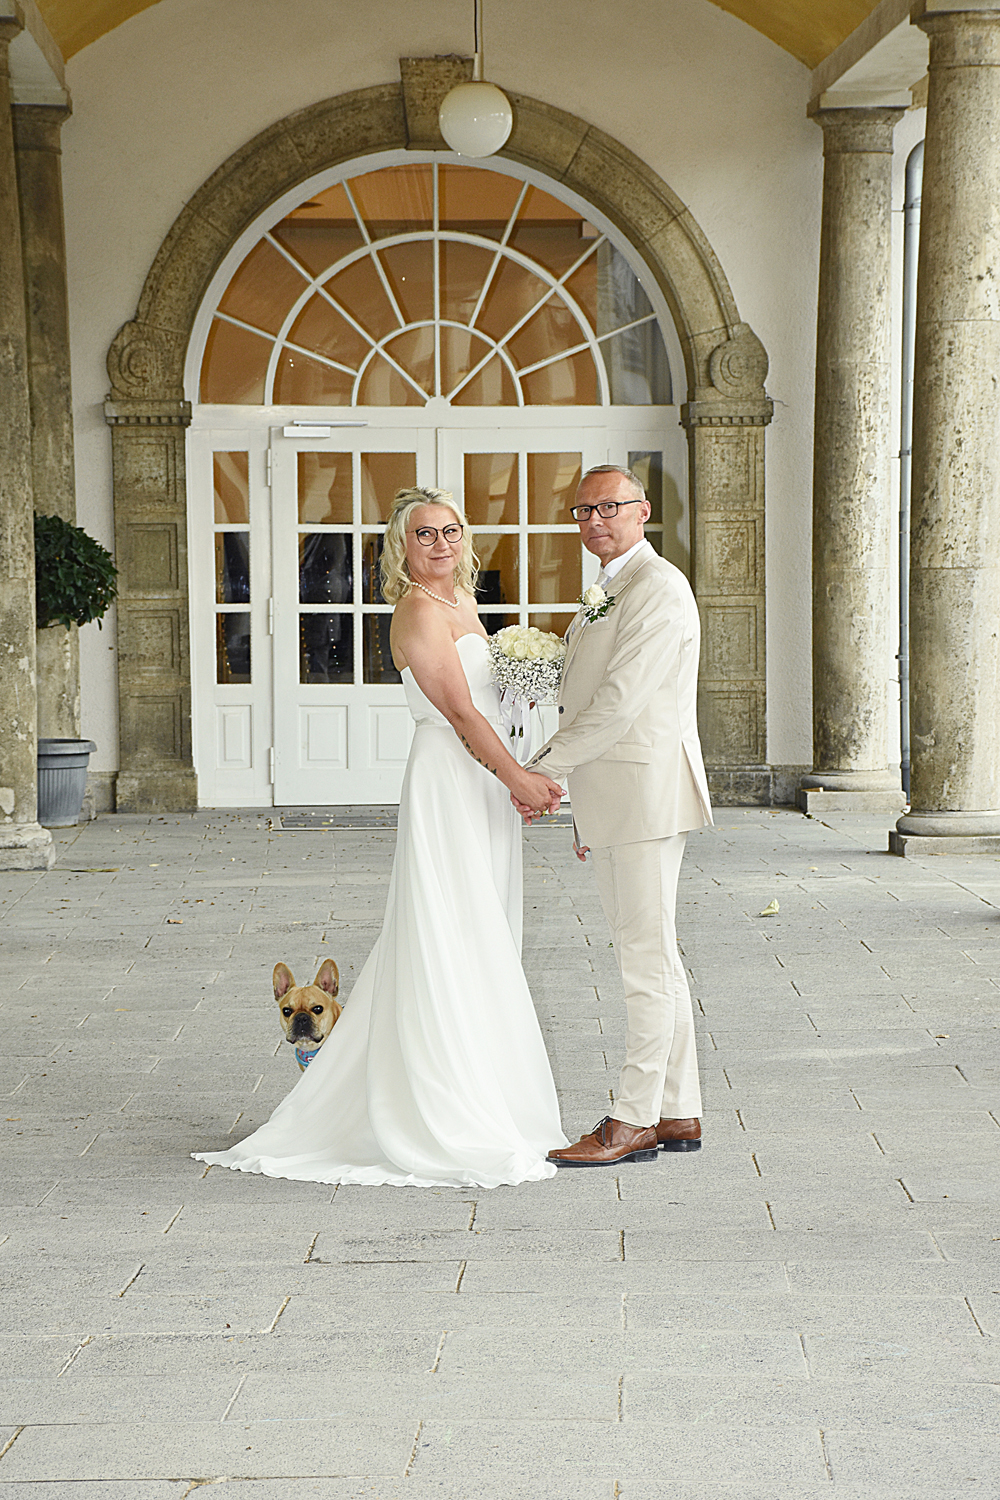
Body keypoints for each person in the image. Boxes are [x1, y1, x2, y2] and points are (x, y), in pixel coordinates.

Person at [194, 487, 567, 1188]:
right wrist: (518, 777)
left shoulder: (463, 600)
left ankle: (487, 1090)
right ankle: (441, 1107)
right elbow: (459, 714)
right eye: (424, 534)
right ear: (401, 546)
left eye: (450, 530)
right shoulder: (418, 610)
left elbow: (489, 703)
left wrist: (523, 735)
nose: (440, 544)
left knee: (484, 930)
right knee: (447, 930)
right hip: (449, 780)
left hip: (482, 782)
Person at [516, 465, 713, 1168]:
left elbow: (621, 702)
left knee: (643, 964)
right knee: (655, 957)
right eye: (583, 510)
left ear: (642, 510)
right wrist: (580, 805)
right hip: (619, 797)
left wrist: (541, 770)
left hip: (645, 798)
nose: (594, 520)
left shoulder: (658, 588)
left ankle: (631, 1120)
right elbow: (588, 695)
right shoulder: (610, 587)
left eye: (610, 507)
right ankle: (677, 1109)